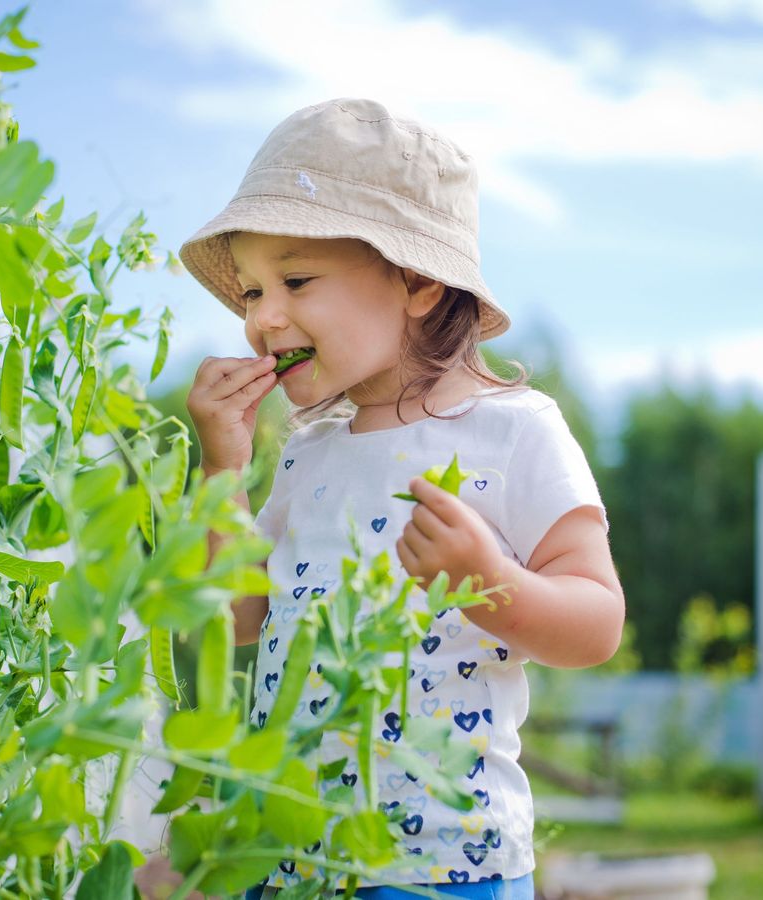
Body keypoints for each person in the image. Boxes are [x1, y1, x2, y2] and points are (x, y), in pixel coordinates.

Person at [179, 98, 625, 899]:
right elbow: (238, 622)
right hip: (282, 850)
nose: (262, 318)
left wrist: (492, 584)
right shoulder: (308, 455)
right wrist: (222, 471)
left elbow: (596, 624)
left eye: (296, 279)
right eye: (250, 292)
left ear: (417, 281)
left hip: (442, 866)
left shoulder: (517, 432)